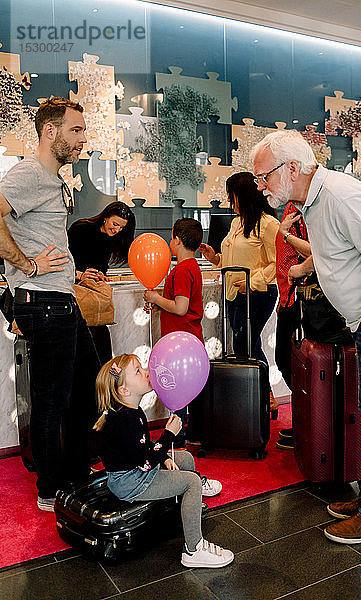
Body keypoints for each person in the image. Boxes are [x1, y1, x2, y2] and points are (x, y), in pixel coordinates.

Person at [252, 129, 361, 544]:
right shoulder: (314, 201)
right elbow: (338, 248)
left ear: (293, 168)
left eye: (264, 176)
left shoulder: (339, 194)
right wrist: (307, 266)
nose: (260, 187)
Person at [0, 97, 100, 511]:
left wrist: (68, 272)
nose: (82, 139)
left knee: (87, 387)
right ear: (50, 131)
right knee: (51, 398)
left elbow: (43, 237)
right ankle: (49, 487)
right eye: (76, 130)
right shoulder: (29, 173)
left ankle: (74, 471)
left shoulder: (50, 178)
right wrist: (27, 265)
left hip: (59, 298)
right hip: (43, 302)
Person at [94, 353, 234, 568]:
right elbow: (145, 463)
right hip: (131, 482)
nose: (147, 373)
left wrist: (166, 457)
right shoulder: (123, 421)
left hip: (137, 471)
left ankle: (189, 506)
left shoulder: (132, 411)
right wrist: (168, 434)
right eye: (138, 372)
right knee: (191, 482)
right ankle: (194, 550)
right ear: (124, 391)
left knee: (183, 458)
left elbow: (143, 446)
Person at [143, 218, 222, 496]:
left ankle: (179, 438)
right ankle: (183, 435)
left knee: (178, 395)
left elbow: (180, 307)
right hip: (188, 338)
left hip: (181, 341)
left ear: (175, 238)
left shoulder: (181, 270)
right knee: (184, 395)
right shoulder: (191, 267)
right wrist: (157, 303)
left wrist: (154, 299)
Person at [199, 172, 280, 417]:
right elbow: (233, 260)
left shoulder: (268, 224)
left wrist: (253, 282)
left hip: (258, 293)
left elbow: (278, 263)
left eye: (230, 194)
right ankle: (257, 394)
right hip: (234, 293)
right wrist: (215, 258)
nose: (227, 200)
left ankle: (266, 395)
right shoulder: (236, 223)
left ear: (243, 195)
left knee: (247, 342)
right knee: (243, 343)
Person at [68, 201, 136, 363]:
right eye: (115, 224)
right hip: (74, 289)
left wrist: (100, 275)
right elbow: (65, 262)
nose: (117, 230)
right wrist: (80, 275)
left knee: (100, 333)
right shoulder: (80, 229)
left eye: (121, 228)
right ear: (105, 217)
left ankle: (103, 375)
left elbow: (100, 267)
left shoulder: (110, 239)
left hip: (93, 291)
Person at [274, 205, 310, 449]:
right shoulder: (291, 209)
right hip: (288, 298)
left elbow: (315, 252)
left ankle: (307, 425)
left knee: (294, 363)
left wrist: (286, 234)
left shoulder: (302, 211)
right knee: (285, 360)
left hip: (299, 298)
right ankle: (304, 422)